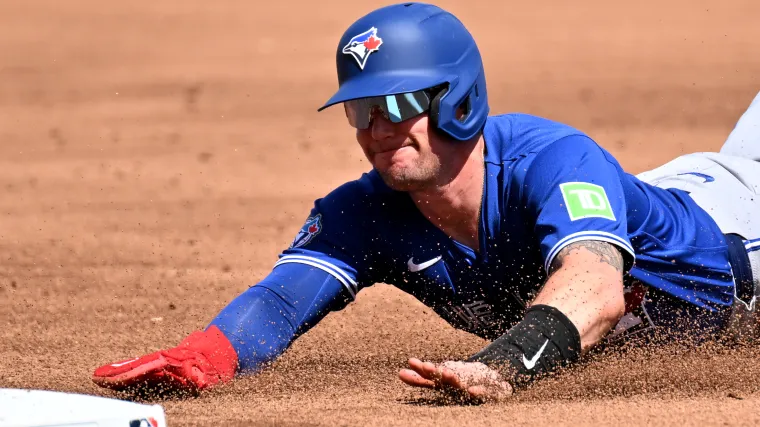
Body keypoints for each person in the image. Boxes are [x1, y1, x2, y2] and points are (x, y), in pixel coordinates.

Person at [91, 2, 760, 402]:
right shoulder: (365, 211)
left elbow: (596, 287)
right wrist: (207, 356)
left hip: (741, 225)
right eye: (362, 109)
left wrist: (504, 364)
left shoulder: (553, 158)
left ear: (458, 100)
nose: (379, 128)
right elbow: (280, 302)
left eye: (399, 103)